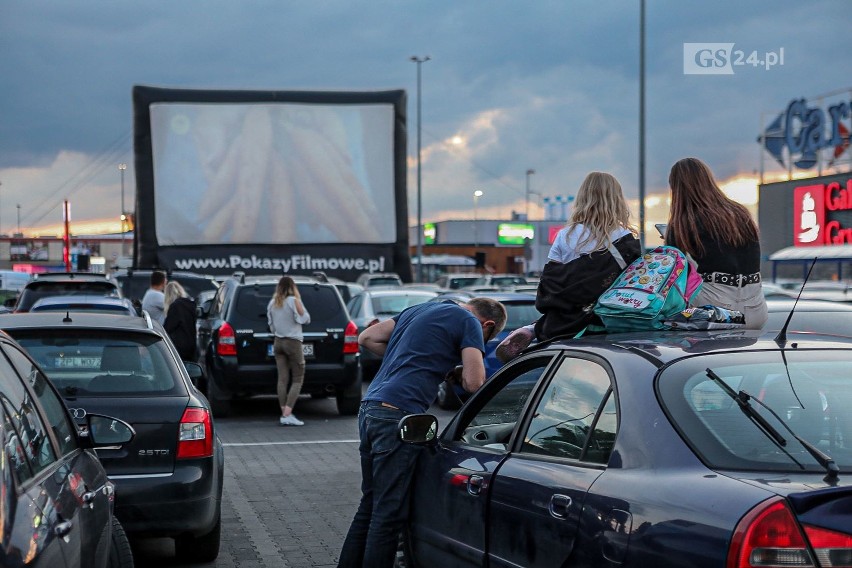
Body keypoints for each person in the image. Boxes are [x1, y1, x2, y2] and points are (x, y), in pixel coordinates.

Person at [337, 297, 507, 568]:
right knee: (388, 513)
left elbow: (367, 338)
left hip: (370, 409)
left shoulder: (423, 308)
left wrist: (423, 359)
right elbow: (475, 383)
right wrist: (456, 366)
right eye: (486, 337)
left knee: (369, 505)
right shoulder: (470, 323)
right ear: (487, 324)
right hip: (398, 413)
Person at [496, 171, 642, 362]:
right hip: (606, 320)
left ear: (582, 198)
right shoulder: (625, 239)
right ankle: (534, 328)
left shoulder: (565, 235)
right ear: (617, 199)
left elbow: (550, 282)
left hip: (566, 324)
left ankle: (533, 329)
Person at [664, 157, 767, 330]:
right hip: (756, 307)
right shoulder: (739, 213)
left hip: (716, 309)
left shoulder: (683, 222)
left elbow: (671, 269)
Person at [267, 276, 311, 426]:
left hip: (277, 342)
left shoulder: (272, 303)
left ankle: (283, 411)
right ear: (292, 287)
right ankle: (287, 414)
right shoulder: (293, 301)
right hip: (293, 342)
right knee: (298, 377)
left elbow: (271, 326)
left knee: (282, 378)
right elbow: (305, 318)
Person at [163, 281, 197, 361]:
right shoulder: (191, 305)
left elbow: (168, 328)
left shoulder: (175, 307)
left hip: (179, 347)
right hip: (191, 345)